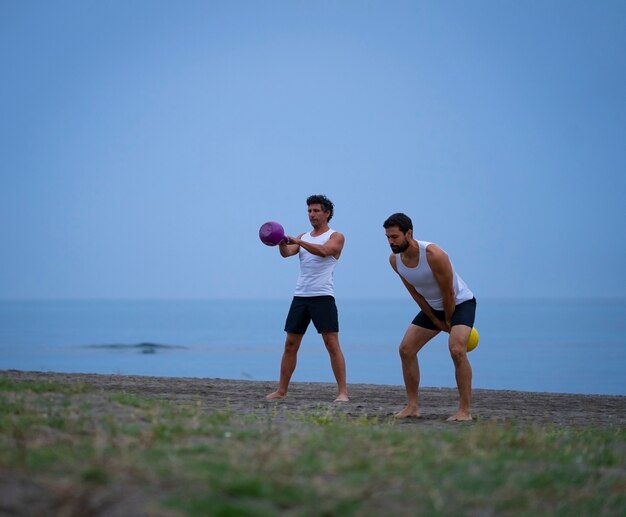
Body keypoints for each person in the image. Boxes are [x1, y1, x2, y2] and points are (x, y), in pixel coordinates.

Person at [383, 213, 476, 421]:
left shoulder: (434, 254)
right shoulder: (394, 260)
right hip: (433, 308)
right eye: (388, 237)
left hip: (460, 304)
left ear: (409, 233)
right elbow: (415, 293)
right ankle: (412, 406)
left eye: (395, 237)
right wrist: (435, 321)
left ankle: (464, 411)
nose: (391, 242)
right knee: (406, 349)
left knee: (457, 350)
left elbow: (449, 293)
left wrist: (449, 322)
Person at [266, 195, 349, 402]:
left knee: (331, 343)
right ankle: (281, 391)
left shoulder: (336, 236)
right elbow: (287, 253)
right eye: (309, 211)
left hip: (323, 297)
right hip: (301, 297)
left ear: (327, 213)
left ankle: (342, 393)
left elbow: (325, 251)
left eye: (316, 211)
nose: (312, 214)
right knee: (290, 344)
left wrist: (299, 241)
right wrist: (281, 242)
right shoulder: (304, 237)